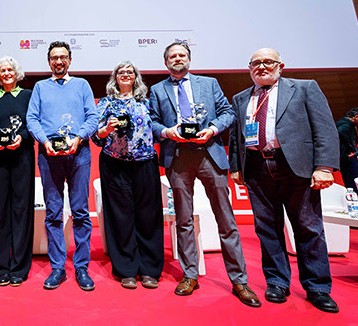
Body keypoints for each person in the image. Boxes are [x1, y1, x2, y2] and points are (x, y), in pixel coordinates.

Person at [229, 48, 340, 313]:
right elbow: (236, 137)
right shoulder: (241, 97)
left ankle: (317, 287)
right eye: (256, 63)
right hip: (256, 167)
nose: (262, 66)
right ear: (249, 68)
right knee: (267, 229)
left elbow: (324, 128)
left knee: (308, 228)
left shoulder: (304, 88)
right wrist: (236, 167)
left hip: (296, 167)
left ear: (281, 65)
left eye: (268, 62)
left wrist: (324, 166)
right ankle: (277, 282)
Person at [149, 41, 260, 307]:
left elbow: (228, 113)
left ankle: (239, 280)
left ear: (189, 58)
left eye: (182, 55)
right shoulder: (156, 90)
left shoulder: (209, 84)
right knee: (184, 219)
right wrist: (167, 132)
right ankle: (190, 275)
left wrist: (211, 129)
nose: (178, 59)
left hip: (210, 154)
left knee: (226, 220)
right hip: (178, 157)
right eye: (172, 56)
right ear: (166, 62)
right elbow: (152, 122)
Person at [27, 41, 99, 291]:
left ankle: (81, 267)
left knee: (80, 212)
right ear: (49, 62)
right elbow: (31, 119)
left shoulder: (82, 85)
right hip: (49, 156)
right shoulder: (39, 87)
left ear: (70, 60)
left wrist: (79, 138)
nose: (59, 61)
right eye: (54, 58)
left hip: (79, 154)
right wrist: (45, 141)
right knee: (53, 213)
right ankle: (58, 267)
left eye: (63, 57)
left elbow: (93, 117)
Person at [92, 60, 163, 290]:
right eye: (120, 72)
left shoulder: (148, 102)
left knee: (148, 216)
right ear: (115, 77)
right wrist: (107, 129)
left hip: (144, 163)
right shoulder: (105, 103)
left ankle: (150, 270)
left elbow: (158, 130)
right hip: (114, 164)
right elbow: (96, 136)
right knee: (120, 217)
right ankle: (126, 269)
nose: (125, 75)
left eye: (129, 72)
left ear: (135, 77)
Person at [0, 56, 35, 287]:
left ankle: (19, 268)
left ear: (17, 72)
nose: (6, 73)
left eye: (10, 70)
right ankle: (1, 267)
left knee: (22, 211)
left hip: (22, 157)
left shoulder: (28, 95)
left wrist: (21, 137)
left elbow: (33, 124)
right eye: (2, 70)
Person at [336, 107, 358, 190]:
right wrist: (351, 149)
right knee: (355, 181)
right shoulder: (346, 124)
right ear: (356, 117)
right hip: (347, 157)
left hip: (346, 157)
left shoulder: (343, 123)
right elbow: (341, 131)